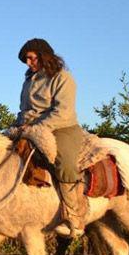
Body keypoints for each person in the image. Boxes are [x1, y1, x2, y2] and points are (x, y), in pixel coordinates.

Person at [16, 38, 87, 237]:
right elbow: (24, 110)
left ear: (43, 55)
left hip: (61, 128)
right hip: (30, 127)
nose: (29, 63)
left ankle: (75, 218)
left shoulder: (63, 78)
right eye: (26, 60)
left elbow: (62, 112)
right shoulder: (29, 80)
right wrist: (18, 126)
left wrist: (37, 128)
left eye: (31, 58)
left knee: (64, 163)